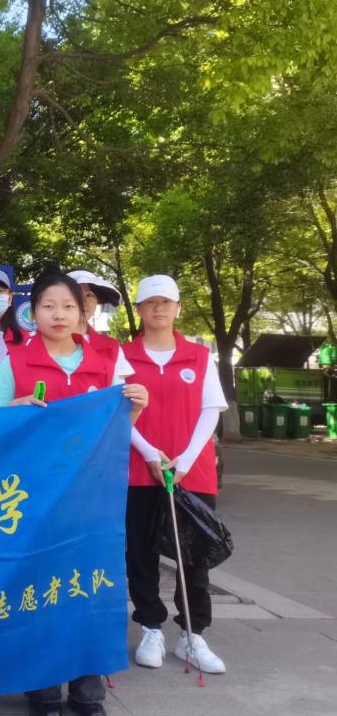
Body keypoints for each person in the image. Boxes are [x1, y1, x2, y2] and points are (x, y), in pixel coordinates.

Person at [0, 268, 148, 716]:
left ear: (82, 313)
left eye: (69, 306)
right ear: (33, 312)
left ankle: (88, 692)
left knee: (89, 589)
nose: (59, 314)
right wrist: (12, 409)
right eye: (49, 306)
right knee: (39, 590)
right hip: (34, 500)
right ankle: (43, 691)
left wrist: (137, 407)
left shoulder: (106, 363)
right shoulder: (16, 363)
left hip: (92, 500)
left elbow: (116, 430)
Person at [122, 275, 228, 675]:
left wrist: (184, 460)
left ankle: (192, 634)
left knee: (193, 555)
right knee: (140, 552)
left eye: (166, 302)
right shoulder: (123, 357)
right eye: (150, 302)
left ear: (178, 308)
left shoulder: (199, 356)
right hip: (138, 469)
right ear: (139, 310)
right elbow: (118, 413)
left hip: (192, 472)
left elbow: (211, 410)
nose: (158, 308)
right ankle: (151, 627)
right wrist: (150, 453)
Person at [67, 269, 129, 368]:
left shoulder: (111, 347)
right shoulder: (44, 341)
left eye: (89, 295)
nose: (84, 302)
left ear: (97, 301)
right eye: (76, 295)